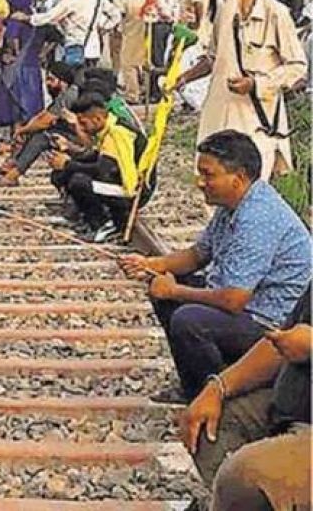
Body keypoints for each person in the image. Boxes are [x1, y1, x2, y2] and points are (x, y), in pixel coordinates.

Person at [120, 130, 311, 403]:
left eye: (208, 175)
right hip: (249, 302)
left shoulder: (257, 218)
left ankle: (216, 394)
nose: (200, 182)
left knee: (189, 320)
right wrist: (153, 264)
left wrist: (175, 291)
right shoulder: (232, 203)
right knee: (162, 288)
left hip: (271, 322)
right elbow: (199, 254)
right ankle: (195, 384)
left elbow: (234, 299)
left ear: (239, 178)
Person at [175, 0, 308, 180]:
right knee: (213, 179)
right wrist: (184, 77)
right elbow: (214, 58)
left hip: (255, 118)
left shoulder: (275, 14)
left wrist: (256, 84)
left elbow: (297, 67)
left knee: (247, 182)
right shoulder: (224, 13)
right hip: (219, 113)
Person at [181, 284, 311, 511]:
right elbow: (279, 343)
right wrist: (217, 388)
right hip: (289, 404)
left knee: (247, 475)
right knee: (210, 427)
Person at [48, 92, 152, 242]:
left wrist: (68, 164)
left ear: (97, 119)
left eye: (84, 123)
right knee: (64, 173)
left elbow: (103, 169)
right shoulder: (108, 128)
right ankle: (87, 218)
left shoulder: (117, 133)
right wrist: (68, 159)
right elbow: (98, 157)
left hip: (134, 190)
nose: (82, 129)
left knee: (79, 182)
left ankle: (104, 223)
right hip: (119, 180)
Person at [0, 61, 79, 187]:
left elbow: (45, 121)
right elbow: (43, 115)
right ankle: (12, 164)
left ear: (62, 81)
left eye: (51, 80)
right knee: (32, 129)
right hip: (70, 132)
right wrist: (26, 129)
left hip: (79, 137)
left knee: (40, 138)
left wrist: (23, 130)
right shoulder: (64, 94)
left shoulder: (69, 95)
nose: (47, 84)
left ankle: (13, 175)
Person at [11, 0, 121, 69]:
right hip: (93, 50)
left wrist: (27, 18)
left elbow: (50, 17)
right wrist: (103, 28)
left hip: (75, 51)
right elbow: (116, 15)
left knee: (74, 85)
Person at [0, 0, 35, 132]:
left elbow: (12, 37)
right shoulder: (33, 15)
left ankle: (16, 135)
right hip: (33, 64)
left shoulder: (15, 17)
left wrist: (15, 53)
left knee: (15, 104)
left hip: (17, 66)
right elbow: (53, 36)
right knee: (31, 103)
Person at [141, 0, 176, 89]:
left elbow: (161, 7)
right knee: (159, 56)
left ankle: (155, 89)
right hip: (164, 24)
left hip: (159, 24)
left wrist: (167, 17)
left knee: (156, 58)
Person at [119, 0, 148, 103]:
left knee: (128, 65)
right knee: (142, 64)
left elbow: (121, 14)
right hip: (146, 34)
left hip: (131, 34)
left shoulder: (127, 0)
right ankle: (144, 90)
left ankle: (132, 94)